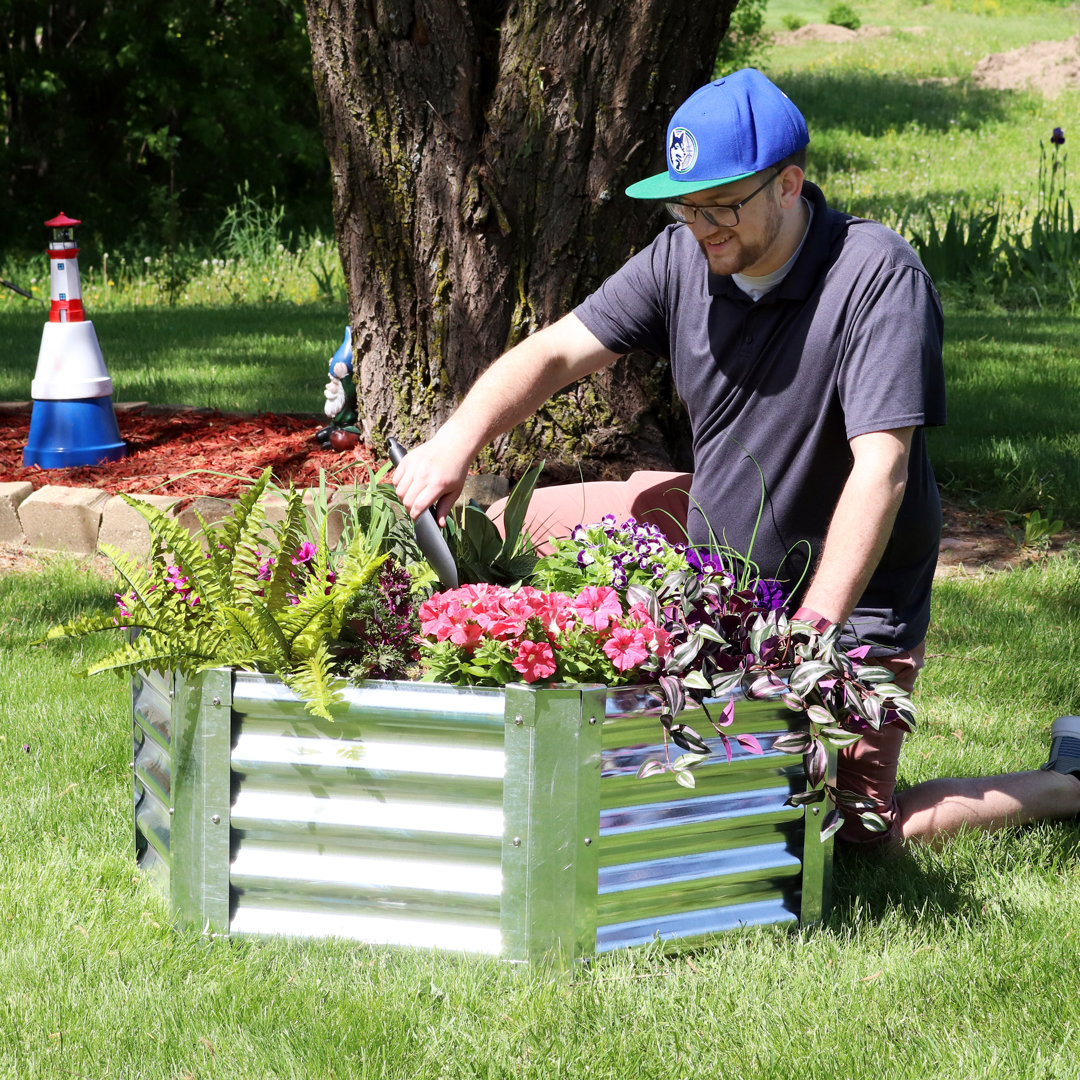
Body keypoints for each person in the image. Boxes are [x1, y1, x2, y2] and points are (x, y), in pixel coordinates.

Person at [393, 68, 1080, 847]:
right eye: (685, 206)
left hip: (854, 604)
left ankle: (1068, 781)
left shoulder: (877, 277)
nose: (702, 227)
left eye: (722, 205)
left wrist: (813, 632)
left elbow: (880, 472)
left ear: (789, 185)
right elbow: (556, 352)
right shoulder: (682, 256)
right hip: (715, 564)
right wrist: (454, 442)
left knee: (851, 831)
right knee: (502, 536)